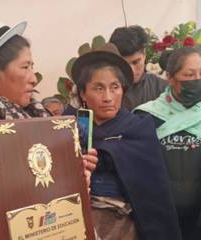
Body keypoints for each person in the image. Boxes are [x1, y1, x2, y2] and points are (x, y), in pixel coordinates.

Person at [0, 21, 98, 211]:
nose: (33, 78)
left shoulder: (29, 113)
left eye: (32, 67)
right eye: (25, 67)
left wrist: (74, 171)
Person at [69, 43, 181, 239]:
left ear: (123, 89)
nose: (108, 97)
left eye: (115, 87)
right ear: (83, 94)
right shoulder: (67, 130)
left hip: (124, 226)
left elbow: (154, 195)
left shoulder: (139, 128)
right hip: (75, 223)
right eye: (98, 88)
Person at [135, 46, 201, 240]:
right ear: (170, 77)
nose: (197, 80)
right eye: (189, 74)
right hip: (160, 219)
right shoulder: (146, 116)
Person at [109, 25, 167, 110]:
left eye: (136, 62)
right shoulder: (105, 93)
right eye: (124, 64)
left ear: (144, 54)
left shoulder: (162, 88)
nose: (131, 70)